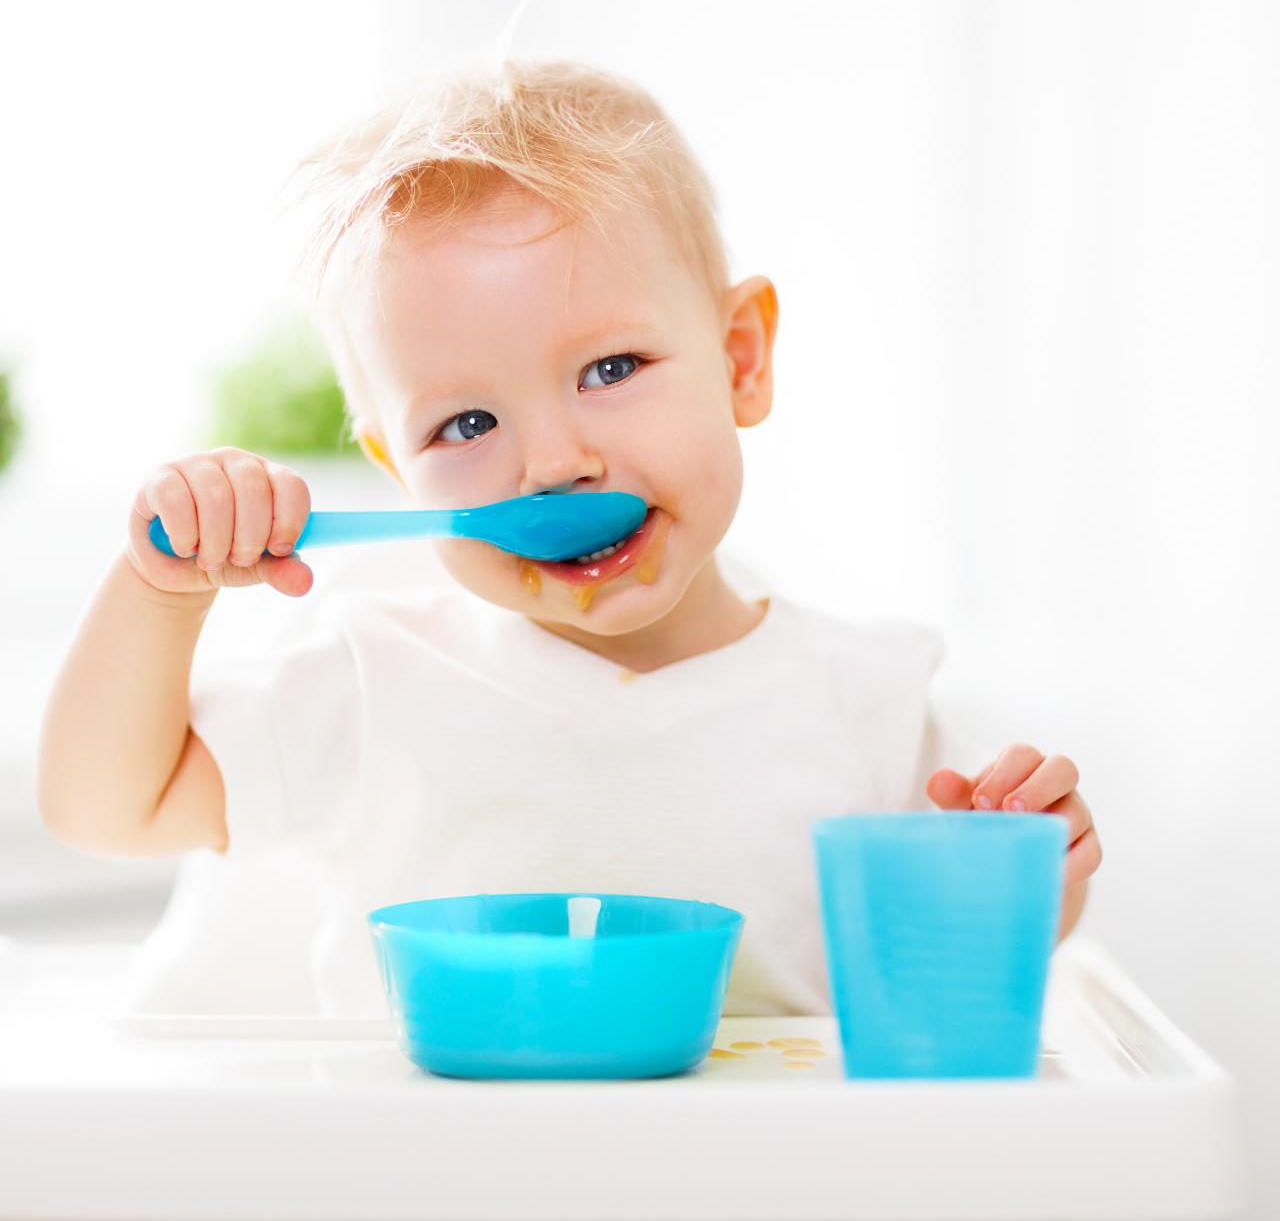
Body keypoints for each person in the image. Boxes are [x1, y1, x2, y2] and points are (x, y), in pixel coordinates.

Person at [36, 58, 1101, 1019]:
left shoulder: (865, 702)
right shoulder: (374, 681)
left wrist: (1016, 891)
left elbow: (919, 997)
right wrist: (161, 590)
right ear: (397, 468)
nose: (551, 463)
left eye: (609, 369)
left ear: (739, 360)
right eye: (466, 424)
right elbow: (103, 806)